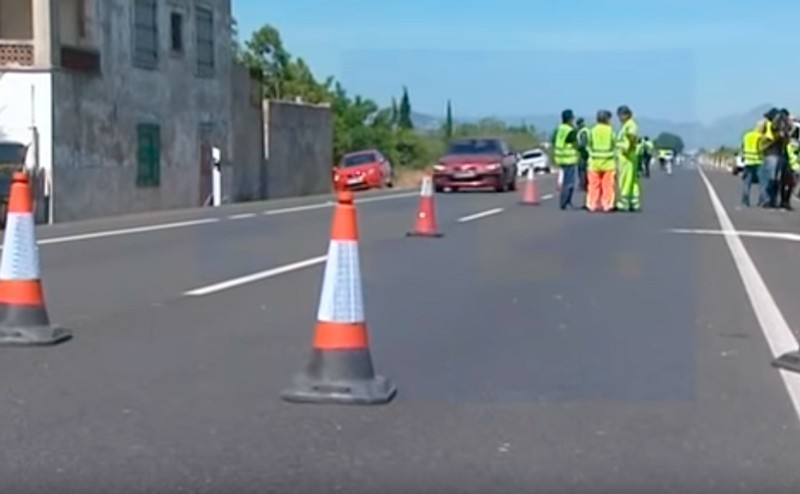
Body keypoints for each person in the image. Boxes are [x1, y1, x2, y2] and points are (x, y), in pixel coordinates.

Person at [585, 110, 616, 212]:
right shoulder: (610, 130)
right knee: (608, 185)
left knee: (593, 185)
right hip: (608, 162)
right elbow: (614, 144)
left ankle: (591, 204)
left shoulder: (592, 130)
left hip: (594, 162)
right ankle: (607, 204)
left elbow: (588, 144)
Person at [759, 108, 788, 208]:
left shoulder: (771, 125)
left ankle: (767, 200)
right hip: (778, 155)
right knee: (774, 180)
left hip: (771, 154)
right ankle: (772, 200)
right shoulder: (782, 128)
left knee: (768, 180)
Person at [552, 109, 580, 209]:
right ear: (570, 119)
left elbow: (553, 141)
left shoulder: (558, 129)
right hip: (569, 159)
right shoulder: (570, 130)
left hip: (560, 158)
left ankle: (564, 202)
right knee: (569, 183)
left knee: (565, 181)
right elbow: (575, 144)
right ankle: (566, 202)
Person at [615, 105, 641, 211]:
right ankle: (634, 202)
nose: (620, 118)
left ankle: (624, 203)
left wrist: (628, 148)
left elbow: (632, 137)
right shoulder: (627, 125)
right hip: (628, 156)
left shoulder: (630, 125)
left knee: (625, 180)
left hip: (626, 157)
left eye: (621, 115)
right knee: (631, 181)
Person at [740, 122, 764, 207]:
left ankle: (745, 202)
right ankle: (761, 202)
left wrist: (743, 158)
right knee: (762, 184)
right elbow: (762, 149)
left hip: (748, 162)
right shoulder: (761, 137)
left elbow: (742, 148)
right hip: (758, 163)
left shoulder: (747, 135)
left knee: (747, 183)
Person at [576, 118, 590, 192]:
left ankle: (583, 184)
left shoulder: (583, 131)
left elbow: (584, 143)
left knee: (582, 169)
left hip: (584, 153)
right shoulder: (586, 130)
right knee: (584, 169)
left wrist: (580, 149)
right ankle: (585, 184)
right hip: (586, 152)